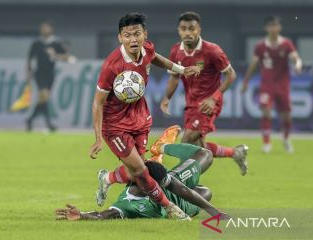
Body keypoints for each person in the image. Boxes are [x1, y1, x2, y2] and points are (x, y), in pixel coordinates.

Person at [89, 13, 200, 220]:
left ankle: (108, 178)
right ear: (120, 38)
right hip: (115, 127)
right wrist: (97, 138)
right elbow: (98, 103)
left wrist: (181, 70)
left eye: (137, 34)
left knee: (135, 173)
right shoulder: (112, 66)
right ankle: (171, 209)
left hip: (140, 119)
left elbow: (155, 57)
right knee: (141, 172)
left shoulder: (147, 48)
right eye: (127, 35)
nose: (133, 39)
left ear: (144, 34)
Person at [159, 11, 248, 175]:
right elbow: (174, 77)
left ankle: (182, 180)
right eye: (184, 29)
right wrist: (167, 98)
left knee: (187, 140)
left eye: (191, 28)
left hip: (209, 103)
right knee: (199, 147)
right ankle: (235, 153)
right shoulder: (175, 52)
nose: (187, 33)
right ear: (179, 30)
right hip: (191, 104)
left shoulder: (212, 51)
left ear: (199, 29)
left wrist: (214, 98)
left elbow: (231, 75)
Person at [56, 143, 230, 220]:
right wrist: (83, 216)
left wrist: (216, 213)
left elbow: (184, 190)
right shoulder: (127, 206)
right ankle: (108, 178)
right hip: (179, 204)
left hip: (174, 179)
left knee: (205, 155)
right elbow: (102, 215)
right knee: (206, 192)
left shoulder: (162, 180)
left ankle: (161, 147)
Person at [242, 16, 302, 153]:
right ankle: (267, 143)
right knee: (266, 111)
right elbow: (253, 65)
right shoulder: (260, 46)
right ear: (266, 28)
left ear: (279, 27)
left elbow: (295, 58)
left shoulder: (286, 44)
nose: (273, 28)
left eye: (275, 25)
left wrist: (298, 65)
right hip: (267, 85)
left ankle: (286, 139)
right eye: (270, 25)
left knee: (286, 115)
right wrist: (246, 81)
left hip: (282, 85)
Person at [26, 21, 74, 132]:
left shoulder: (55, 43)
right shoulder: (37, 43)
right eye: (42, 28)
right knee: (44, 96)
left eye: (46, 28)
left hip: (50, 74)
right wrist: (28, 72)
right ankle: (48, 124)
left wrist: (55, 55)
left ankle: (30, 120)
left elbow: (66, 57)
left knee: (43, 99)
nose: (44, 30)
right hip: (39, 73)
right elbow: (30, 59)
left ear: (51, 29)